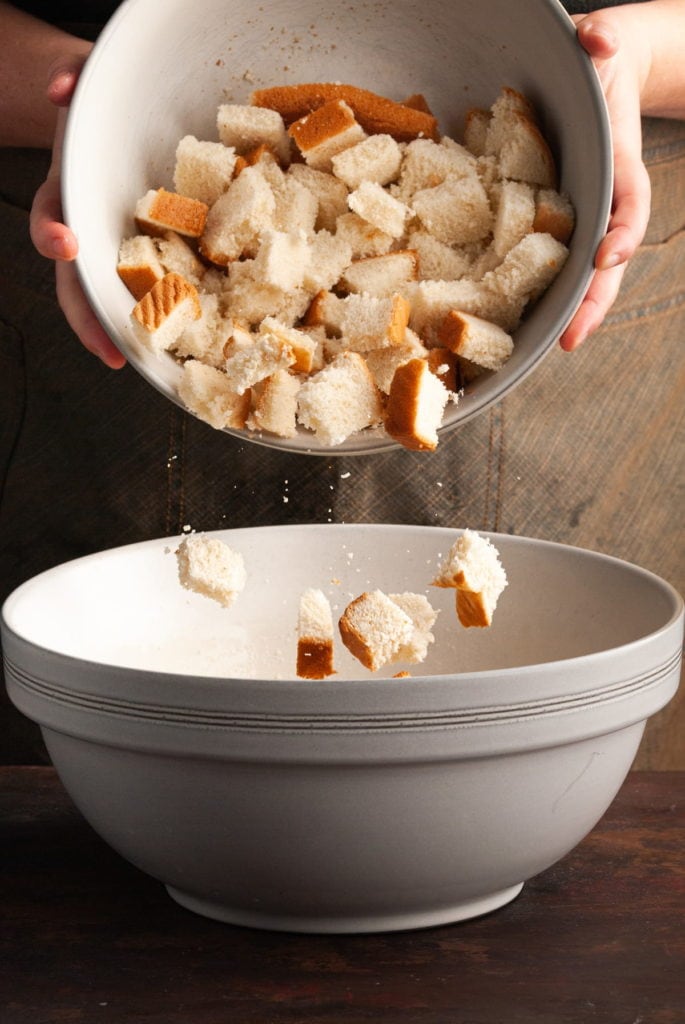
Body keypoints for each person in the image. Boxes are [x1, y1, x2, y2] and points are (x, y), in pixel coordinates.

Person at [1, 0, 683, 764]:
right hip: (68, 212)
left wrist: (646, 57)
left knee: (557, 701)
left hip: (619, 224)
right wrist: (72, 94)